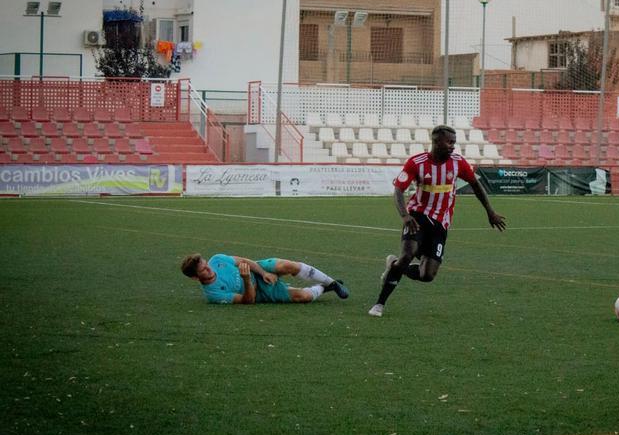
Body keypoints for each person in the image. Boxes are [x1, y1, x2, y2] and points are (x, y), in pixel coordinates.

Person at [368, 125, 506, 317]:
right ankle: (379, 304)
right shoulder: (416, 163)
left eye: (454, 143)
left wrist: (490, 212)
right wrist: (405, 216)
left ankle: (394, 266)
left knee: (427, 275)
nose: (452, 146)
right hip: (417, 217)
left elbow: (476, 185)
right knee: (408, 254)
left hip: (441, 224)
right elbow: (398, 190)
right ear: (436, 141)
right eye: (449, 142)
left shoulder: (459, 163)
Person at [181, 253, 348, 304]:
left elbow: (245, 261)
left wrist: (263, 273)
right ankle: (325, 288)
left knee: (288, 265)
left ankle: (332, 282)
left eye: (206, 264)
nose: (209, 268)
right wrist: (246, 280)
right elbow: (248, 300)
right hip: (257, 292)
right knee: (302, 297)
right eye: (204, 270)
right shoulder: (213, 294)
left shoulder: (217, 260)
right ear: (196, 278)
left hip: (257, 270)